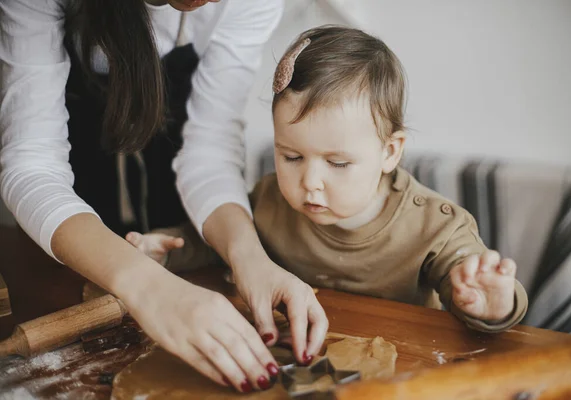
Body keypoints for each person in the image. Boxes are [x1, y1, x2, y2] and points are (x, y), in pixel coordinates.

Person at [0, 0, 328, 393]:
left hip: (179, 212)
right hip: (67, 229)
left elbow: (210, 151)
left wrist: (250, 259)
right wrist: (149, 287)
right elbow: (33, 166)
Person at [128, 25, 529, 336]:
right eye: (291, 156)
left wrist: (493, 304)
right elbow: (219, 244)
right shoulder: (269, 200)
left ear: (390, 151)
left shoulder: (437, 227)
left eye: (338, 163)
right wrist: (166, 249)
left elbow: (469, 284)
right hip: (298, 357)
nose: (310, 182)